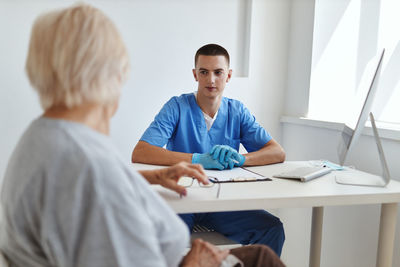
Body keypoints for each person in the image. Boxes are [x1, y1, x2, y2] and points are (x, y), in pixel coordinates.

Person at [0, 4, 285, 267]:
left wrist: (154, 176)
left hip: (187, 231)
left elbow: (92, 184)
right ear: (105, 75)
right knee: (262, 259)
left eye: (218, 73)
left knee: (264, 244)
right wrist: (192, 263)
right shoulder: (83, 157)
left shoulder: (45, 137)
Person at [132, 44, 286, 256]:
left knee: (272, 229)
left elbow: (277, 152)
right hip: (182, 199)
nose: (211, 80)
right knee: (163, 240)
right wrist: (197, 159)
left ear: (228, 76)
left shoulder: (237, 111)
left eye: (218, 72)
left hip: (221, 203)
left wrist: (242, 159)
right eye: (204, 72)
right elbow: (141, 151)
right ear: (195, 74)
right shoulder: (176, 107)